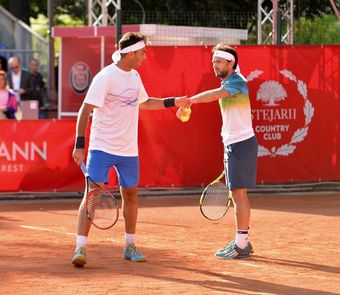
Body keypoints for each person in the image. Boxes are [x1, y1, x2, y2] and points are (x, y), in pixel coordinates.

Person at [71, 32, 190, 267]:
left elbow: (144, 103)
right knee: (93, 196)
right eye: (143, 52)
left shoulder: (135, 77)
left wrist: (173, 101)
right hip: (102, 147)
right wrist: (79, 145)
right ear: (132, 53)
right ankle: (80, 248)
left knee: (131, 195)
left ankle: (130, 246)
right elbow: (85, 111)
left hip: (128, 150)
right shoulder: (105, 77)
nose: (146, 57)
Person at [177, 44, 257, 259]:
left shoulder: (237, 82)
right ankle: (243, 242)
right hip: (233, 144)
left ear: (230, 63)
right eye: (213, 61)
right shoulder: (231, 82)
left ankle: (241, 245)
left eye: (218, 61)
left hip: (240, 144)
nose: (214, 65)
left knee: (239, 194)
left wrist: (189, 101)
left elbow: (214, 95)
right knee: (236, 193)